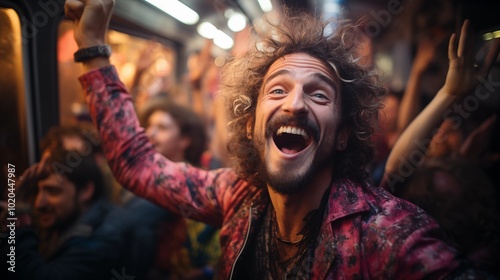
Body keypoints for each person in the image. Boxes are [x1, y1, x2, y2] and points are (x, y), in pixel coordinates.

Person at [64, 0, 498, 278]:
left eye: (318, 93)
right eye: (277, 89)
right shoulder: (237, 197)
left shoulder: (385, 233)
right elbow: (138, 165)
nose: (294, 104)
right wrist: (92, 48)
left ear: (344, 134)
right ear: (253, 123)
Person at [11, 148, 129, 280]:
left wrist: (17, 217)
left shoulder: (103, 236)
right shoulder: (60, 224)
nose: (39, 203)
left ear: (86, 191)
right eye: (37, 191)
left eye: (53, 192)